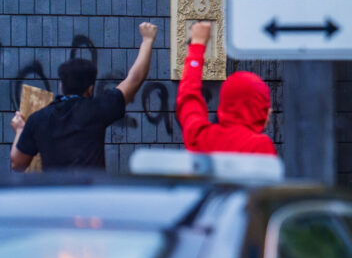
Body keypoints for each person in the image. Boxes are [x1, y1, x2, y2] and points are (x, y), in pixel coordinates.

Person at [10, 22, 158, 171]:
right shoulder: (98, 110)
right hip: (90, 193)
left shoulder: (38, 119)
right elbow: (134, 79)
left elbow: (18, 163)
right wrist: (147, 40)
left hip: (55, 193)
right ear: (90, 89)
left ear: (62, 86)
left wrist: (20, 130)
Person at [177, 21, 276, 155]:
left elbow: (188, 97)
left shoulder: (201, 137)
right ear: (258, 108)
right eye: (264, 105)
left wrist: (197, 45)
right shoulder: (259, 146)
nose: (269, 110)